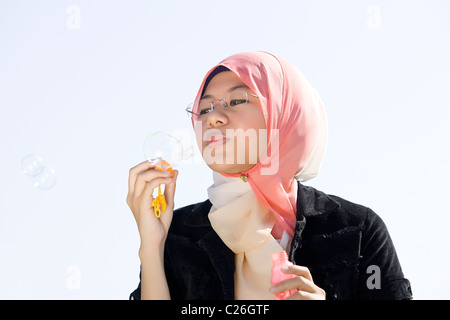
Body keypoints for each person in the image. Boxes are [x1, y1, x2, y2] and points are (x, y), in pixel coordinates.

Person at [127, 51, 412, 300]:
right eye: (204, 108)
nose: (213, 118)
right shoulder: (176, 235)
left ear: (283, 112)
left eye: (237, 101)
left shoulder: (357, 229)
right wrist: (151, 248)